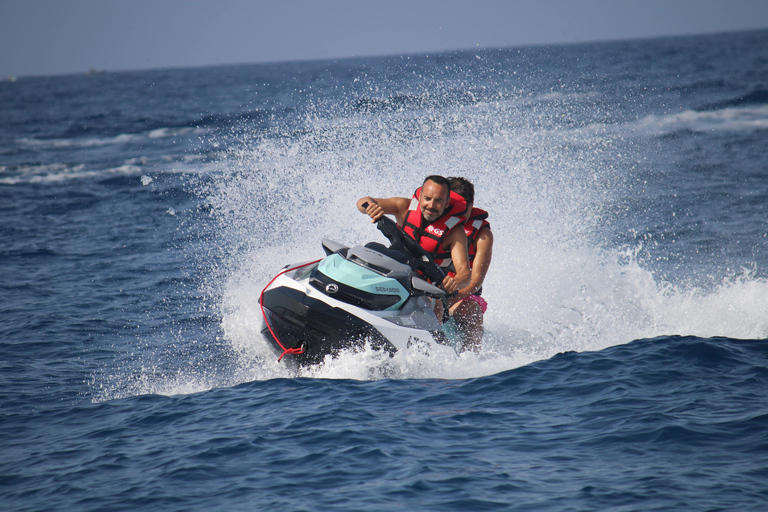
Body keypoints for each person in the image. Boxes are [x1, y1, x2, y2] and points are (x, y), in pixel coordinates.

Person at [356, 175, 472, 312]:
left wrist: (456, 281)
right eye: (427, 199)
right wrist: (369, 206)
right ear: (420, 196)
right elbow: (362, 202)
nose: (431, 206)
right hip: (393, 270)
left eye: (438, 201)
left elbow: (465, 273)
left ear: (447, 203)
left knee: (436, 305)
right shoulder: (403, 207)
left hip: (423, 285)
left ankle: (430, 333)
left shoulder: (455, 232)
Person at [446, 176, 493, 352]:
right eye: (453, 208)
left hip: (463, 296)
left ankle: (472, 357)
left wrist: (451, 299)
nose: (458, 214)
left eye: (463, 209)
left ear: (471, 205)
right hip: (430, 289)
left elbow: (476, 281)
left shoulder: (483, 235)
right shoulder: (433, 221)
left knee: (471, 309)